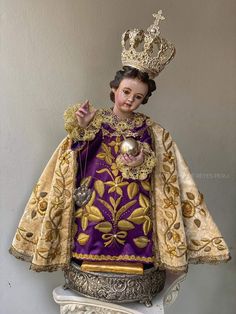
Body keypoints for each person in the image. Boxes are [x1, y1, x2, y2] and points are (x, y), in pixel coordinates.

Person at [9, 11, 230, 273]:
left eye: (138, 97)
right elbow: (78, 158)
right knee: (91, 221)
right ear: (114, 89)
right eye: (126, 92)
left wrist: (140, 160)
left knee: (137, 222)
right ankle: (86, 262)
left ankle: (136, 265)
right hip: (95, 200)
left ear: (143, 100)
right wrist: (84, 129)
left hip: (135, 201)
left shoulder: (148, 129)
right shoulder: (96, 120)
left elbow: (156, 165)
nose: (129, 100)